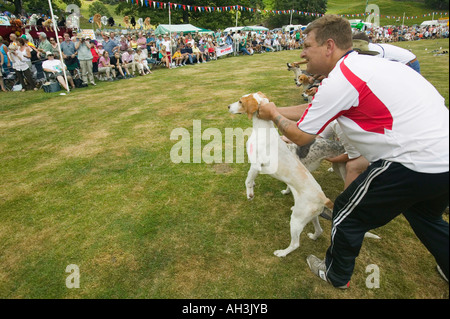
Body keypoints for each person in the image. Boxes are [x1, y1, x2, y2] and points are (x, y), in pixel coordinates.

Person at [257, 15, 449, 288]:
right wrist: (271, 109)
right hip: (443, 157)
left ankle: (336, 274)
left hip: (413, 160)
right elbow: (314, 110)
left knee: (346, 211)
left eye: (307, 45)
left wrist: (274, 116)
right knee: (425, 216)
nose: (301, 53)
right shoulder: (365, 66)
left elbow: (301, 137)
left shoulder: (341, 79)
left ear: (329, 46)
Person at [353, 32, 421, 74]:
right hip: (402, 63)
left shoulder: (375, 51)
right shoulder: (367, 48)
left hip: (409, 63)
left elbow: (376, 70)